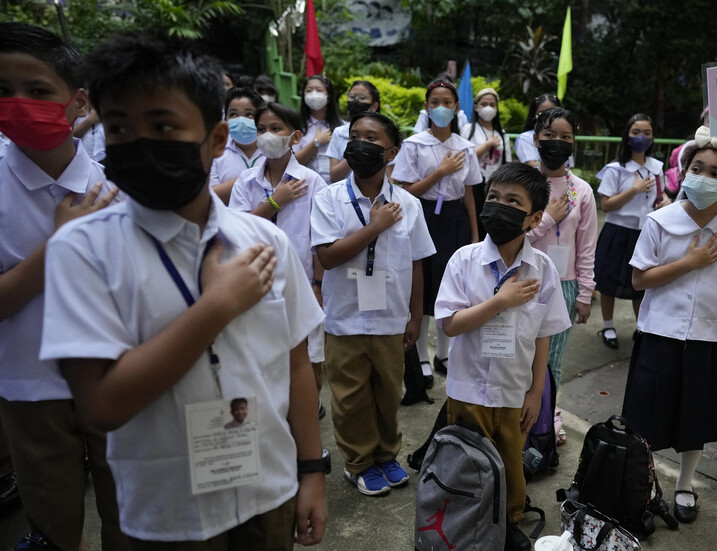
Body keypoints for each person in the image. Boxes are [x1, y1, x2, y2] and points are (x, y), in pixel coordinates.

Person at [39, 33, 327, 549]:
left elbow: (297, 362)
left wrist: (312, 471)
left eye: (163, 126)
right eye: (120, 128)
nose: (139, 143)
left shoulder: (264, 240)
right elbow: (100, 405)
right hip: (165, 515)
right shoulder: (81, 250)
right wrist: (214, 307)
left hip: (268, 492)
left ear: (216, 140)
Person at [0, 22, 125, 551]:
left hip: (117, 384)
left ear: (77, 102)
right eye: (4, 92)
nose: (18, 104)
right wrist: (59, 246)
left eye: (37, 91)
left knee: (130, 521)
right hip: (31, 391)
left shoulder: (117, 191)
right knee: (53, 528)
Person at [621, 126, 717, 525]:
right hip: (660, 334)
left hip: (711, 336)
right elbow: (639, 280)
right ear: (684, 172)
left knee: (695, 416)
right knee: (649, 413)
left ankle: (685, 484)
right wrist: (689, 262)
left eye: (716, 173)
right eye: (698, 168)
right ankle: (647, 481)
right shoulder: (659, 221)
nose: (704, 177)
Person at [435, 162, 571, 551]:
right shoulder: (463, 260)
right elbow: (450, 324)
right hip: (467, 388)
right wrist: (500, 301)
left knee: (512, 463)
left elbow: (544, 334)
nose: (499, 205)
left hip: (514, 390)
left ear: (534, 218)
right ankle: (465, 518)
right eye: (493, 197)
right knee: (464, 462)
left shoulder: (542, 269)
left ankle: (510, 520)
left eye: (513, 201)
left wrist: (535, 393)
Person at [312, 111, 435, 496]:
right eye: (355, 136)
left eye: (372, 137)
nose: (361, 144)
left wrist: (415, 316)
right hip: (345, 317)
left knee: (387, 391)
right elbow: (327, 257)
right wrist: (374, 227)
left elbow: (416, 263)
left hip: (391, 318)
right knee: (350, 397)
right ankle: (358, 462)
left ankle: (385, 455)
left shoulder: (409, 205)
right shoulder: (329, 198)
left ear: (392, 152)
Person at [229, 102, 328, 397]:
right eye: (262, 130)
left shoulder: (312, 182)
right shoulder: (246, 182)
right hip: (256, 282)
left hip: (303, 285)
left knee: (308, 362)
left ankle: (308, 426)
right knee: (264, 361)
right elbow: (235, 228)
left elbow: (319, 240)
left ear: (295, 137)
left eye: (276, 129)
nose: (267, 135)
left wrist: (318, 285)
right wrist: (274, 202)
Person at [392, 80, 481, 380]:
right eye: (434, 102)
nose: (441, 108)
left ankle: (445, 354)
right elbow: (407, 190)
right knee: (425, 283)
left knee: (452, 284)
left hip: (455, 216)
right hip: (424, 214)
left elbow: (469, 193)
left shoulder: (465, 147)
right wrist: (440, 172)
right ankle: (422, 357)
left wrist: (474, 232)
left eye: (447, 102)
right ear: (426, 106)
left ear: (457, 107)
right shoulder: (415, 144)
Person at [525, 107, 597, 388]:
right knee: (518, 352)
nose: (558, 141)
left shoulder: (582, 190)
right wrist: (547, 220)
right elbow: (509, 237)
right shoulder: (523, 184)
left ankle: (546, 416)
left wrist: (585, 292)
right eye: (549, 134)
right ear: (536, 139)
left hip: (564, 285)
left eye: (565, 136)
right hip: (524, 279)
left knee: (552, 358)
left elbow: (587, 246)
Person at [594, 114, 669, 349]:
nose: (641, 137)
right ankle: (607, 326)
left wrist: (665, 200)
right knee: (608, 282)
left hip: (644, 232)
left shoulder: (656, 167)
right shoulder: (615, 169)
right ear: (627, 135)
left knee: (640, 283)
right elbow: (606, 205)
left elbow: (661, 194)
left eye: (647, 133)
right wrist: (634, 190)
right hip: (618, 230)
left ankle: (642, 327)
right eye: (636, 132)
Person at [462, 87, 512, 238]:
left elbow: (507, 163)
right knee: (475, 221)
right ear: (476, 107)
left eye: (492, 104)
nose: (488, 108)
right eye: (484, 104)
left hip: (496, 185)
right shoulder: (468, 129)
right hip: (474, 186)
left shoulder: (502, 135)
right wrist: (486, 145)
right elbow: (464, 157)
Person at [210, 86, 265, 204]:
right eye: (233, 114)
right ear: (225, 119)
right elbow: (211, 196)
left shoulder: (275, 149)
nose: (241, 120)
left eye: (249, 114)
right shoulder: (215, 151)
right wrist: (255, 174)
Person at [326, 80, 381, 182]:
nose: (356, 101)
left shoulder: (383, 134)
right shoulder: (339, 132)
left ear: (374, 106)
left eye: (362, 98)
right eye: (352, 96)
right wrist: (355, 152)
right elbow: (334, 177)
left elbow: (388, 177)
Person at [295, 75, 344, 183]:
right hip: (306, 187)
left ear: (329, 94)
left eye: (319, 90)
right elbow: (293, 162)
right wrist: (316, 143)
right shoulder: (297, 125)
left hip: (336, 187)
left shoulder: (343, 128)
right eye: (309, 90)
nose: (314, 94)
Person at [513, 94, 573, 169]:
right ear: (536, 139)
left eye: (552, 112)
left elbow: (569, 167)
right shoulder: (525, 138)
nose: (548, 117)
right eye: (542, 113)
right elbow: (531, 164)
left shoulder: (564, 139)